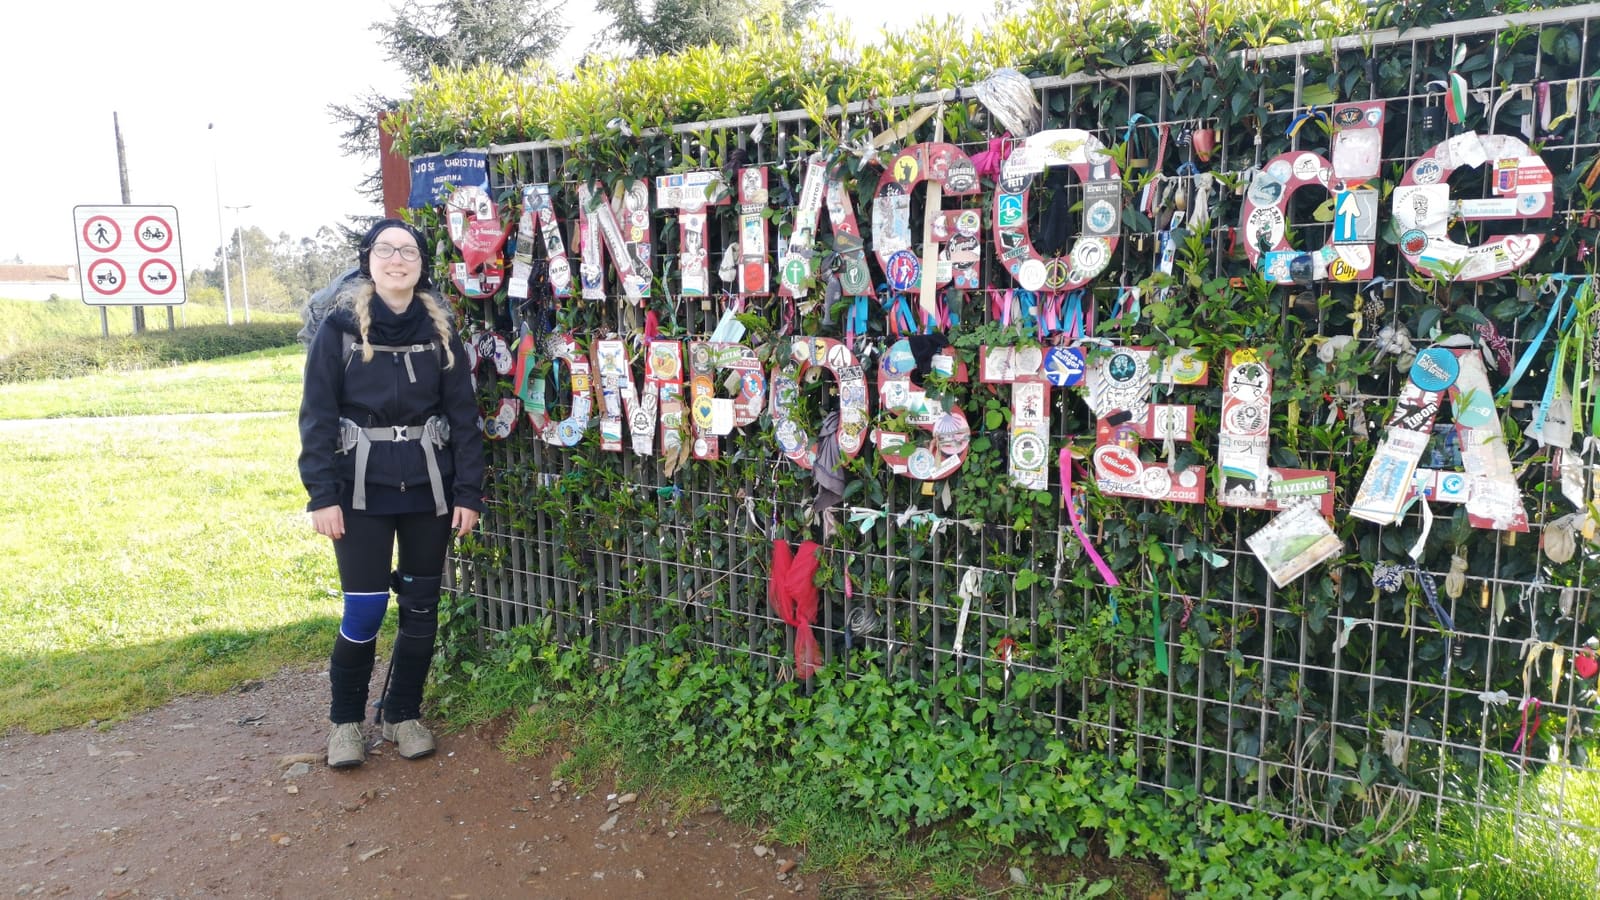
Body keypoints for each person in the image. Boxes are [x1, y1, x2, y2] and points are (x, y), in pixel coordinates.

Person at [298, 219, 484, 769]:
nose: (397, 259)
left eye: (408, 251)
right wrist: (320, 495)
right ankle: (345, 724)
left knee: (422, 610)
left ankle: (403, 714)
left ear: (421, 264)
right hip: (358, 493)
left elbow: (464, 420)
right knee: (364, 612)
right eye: (386, 250)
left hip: (429, 490)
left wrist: (468, 493)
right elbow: (316, 418)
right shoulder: (338, 331)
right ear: (368, 260)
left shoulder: (441, 331)